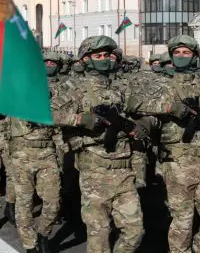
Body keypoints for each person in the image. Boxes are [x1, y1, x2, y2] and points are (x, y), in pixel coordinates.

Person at [126, 35, 200, 253]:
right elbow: (135, 105)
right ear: (171, 56)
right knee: (183, 221)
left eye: (186, 52)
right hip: (177, 162)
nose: (181, 56)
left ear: (195, 56)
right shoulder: (160, 84)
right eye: (177, 52)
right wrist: (170, 108)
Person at [52, 36, 144, 253]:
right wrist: (80, 119)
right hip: (95, 170)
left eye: (107, 55)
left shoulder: (121, 87)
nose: (104, 59)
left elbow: (143, 106)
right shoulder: (73, 87)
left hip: (124, 169)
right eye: (98, 55)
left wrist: (142, 125)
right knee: (99, 235)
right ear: (85, 59)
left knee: (134, 232)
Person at [8, 52, 63, 253]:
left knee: (53, 202)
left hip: (47, 153)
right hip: (22, 153)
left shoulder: (54, 90)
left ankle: (42, 231)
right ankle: (30, 244)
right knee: (25, 201)